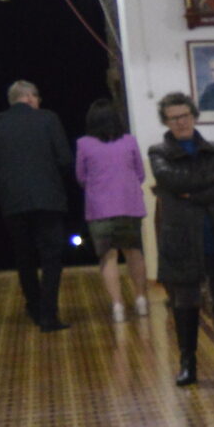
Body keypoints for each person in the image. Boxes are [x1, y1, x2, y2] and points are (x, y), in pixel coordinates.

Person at [150, 92, 214, 386]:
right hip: (182, 236)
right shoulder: (158, 152)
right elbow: (172, 181)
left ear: (193, 116)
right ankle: (188, 364)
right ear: (166, 122)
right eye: (173, 118)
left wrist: (189, 195)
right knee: (185, 301)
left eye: (184, 116)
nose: (180, 122)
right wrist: (207, 183)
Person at [0, 79, 76, 332]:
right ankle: (49, 314)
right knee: (51, 257)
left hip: (13, 201)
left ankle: (33, 307)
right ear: (31, 97)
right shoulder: (49, 119)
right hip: (48, 199)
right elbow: (65, 158)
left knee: (24, 257)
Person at [75, 100, 151, 325]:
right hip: (129, 206)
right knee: (134, 253)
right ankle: (141, 300)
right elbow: (140, 173)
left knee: (108, 257)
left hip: (99, 209)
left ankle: (118, 305)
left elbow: (81, 177)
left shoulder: (83, 144)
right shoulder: (130, 141)